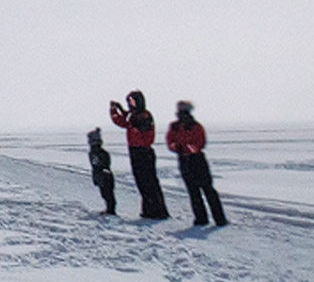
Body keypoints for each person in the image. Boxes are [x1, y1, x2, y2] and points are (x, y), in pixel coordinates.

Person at [108, 90, 170, 219]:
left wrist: (121, 112)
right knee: (142, 182)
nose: (130, 104)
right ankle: (149, 210)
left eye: (132, 101)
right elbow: (122, 121)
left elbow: (134, 126)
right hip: (136, 151)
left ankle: (157, 211)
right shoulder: (135, 115)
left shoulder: (144, 116)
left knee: (149, 182)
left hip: (143, 151)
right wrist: (115, 110)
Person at [166, 100, 229, 227]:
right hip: (185, 160)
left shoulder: (195, 126)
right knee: (194, 191)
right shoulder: (175, 126)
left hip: (196, 159)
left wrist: (186, 149)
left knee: (206, 189)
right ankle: (201, 218)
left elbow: (200, 143)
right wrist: (178, 148)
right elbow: (170, 141)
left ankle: (219, 218)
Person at [87, 128, 117, 215]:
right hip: (102, 174)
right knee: (106, 193)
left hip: (103, 175)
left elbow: (100, 164)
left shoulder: (96, 152)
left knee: (107, 194)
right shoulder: (97, 152)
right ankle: (110, 209)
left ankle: (110, 210)